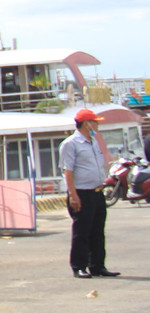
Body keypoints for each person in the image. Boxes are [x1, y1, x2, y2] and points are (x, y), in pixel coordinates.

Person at [61, 108, 118, 279]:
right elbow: (68, 170)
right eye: (95, 122)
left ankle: (98, 266)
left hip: (97, 192)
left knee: (97, 231)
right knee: (82, 232)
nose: (97, 124)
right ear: (86, 123)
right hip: (82, 193)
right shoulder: (71, 144)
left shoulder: (93, 141)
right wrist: (73, 195)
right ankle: (79, 266)